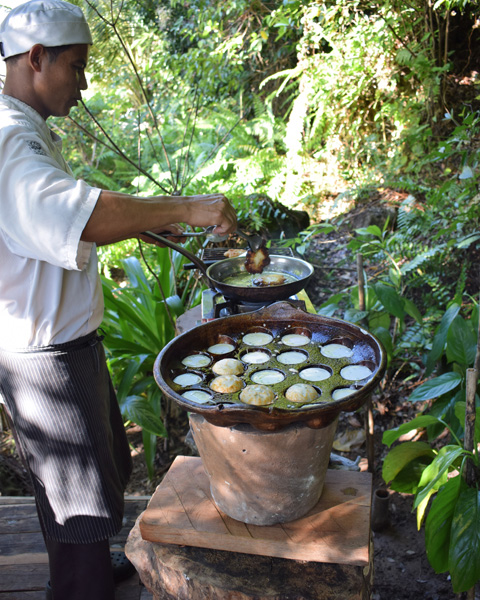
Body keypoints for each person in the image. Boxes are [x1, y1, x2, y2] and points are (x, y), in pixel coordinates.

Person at [0, 1, 237, 599]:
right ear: (35, 59)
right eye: (76, 67)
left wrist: (146, 224)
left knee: (87, 482)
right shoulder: (8, 142)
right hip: (44, 355)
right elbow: (77, 213)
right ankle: (81, 587)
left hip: (62, 341)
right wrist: (188, 207)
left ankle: (85, 572)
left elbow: (69, 210)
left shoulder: (24, 129)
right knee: (79, 503)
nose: (83, 84)